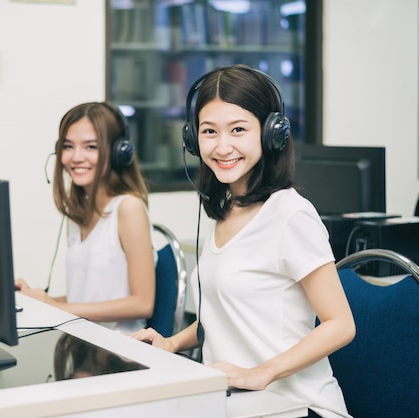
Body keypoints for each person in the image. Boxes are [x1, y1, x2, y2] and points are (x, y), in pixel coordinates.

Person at [131, 65, 356, 418]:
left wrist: (260, 373)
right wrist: (172, 343)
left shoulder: (290, 214)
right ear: (193, 139)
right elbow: (226, 315)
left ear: (270, 134)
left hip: (296, 406)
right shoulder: (225, 211)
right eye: (209, 131)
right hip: (235, 404)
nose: (223, 146)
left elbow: (341, 324)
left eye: (238, 129)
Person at [15, 101, 156, 335]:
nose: (76, 157)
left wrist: (58, 306)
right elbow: (89, 297)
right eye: (68, 146)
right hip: (84, 343)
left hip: (121, 350)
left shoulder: (128, 208)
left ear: (118, 152)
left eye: (91, 147)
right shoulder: (78, 212)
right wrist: (39, 298)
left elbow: (142, 303)